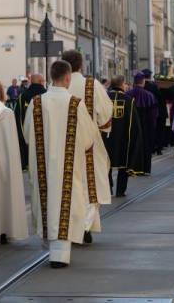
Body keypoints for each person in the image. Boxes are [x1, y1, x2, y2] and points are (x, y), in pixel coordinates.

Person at [23, 60, 100, 269]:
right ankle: (61, 254)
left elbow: (27, 135)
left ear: (50, 77)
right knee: (68, 202)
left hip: (43, 167)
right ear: (67, 78)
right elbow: (87, 140)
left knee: (46, 201)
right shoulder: (76, 104)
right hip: (69, 167)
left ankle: (52, 249)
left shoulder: (37, 103)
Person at [61, 50, 112, 243]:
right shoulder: (91, 84)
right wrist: (100, 127)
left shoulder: (56, 85)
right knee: (92, 185)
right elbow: (106, 114)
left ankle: (77, 225)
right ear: (81, 65)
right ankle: (83, 227)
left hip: (62, 142)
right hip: (89, 141)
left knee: (70, 185)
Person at [0, 79, 29, 245]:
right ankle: (5, 230)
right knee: (5, 194)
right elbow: (13, 140)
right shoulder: (8, 113)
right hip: (6, 158)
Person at [105, 75, 144, 197]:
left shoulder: (104, 98)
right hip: (123, 138)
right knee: (123, 162)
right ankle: (120, 190)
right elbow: (135, 123)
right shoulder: (129, 100)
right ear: (123, 84)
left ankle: (107, 187)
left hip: (106, 136)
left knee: (106, 163)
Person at [125, 72, 158, 171]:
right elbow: (154, 113)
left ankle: (132, 167)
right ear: (143, 82)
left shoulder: (127, 94)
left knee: (132, 144)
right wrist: (153, 125)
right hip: (146, 125)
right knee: (145, 145)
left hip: (131, 124)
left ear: (134, 82)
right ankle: (144, 168)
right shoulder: (149, 95)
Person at [14, 74, 47, 172]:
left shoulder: (23, 96)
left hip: (28, 131)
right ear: (41, 82)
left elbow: (18, 117)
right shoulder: (46, 94)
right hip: (44, 129)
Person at [140, 68, 168, 154]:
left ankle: (150, 148)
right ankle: (159, 149)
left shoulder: (142, 87)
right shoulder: (155, 86)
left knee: (148, 131)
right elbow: (162, 98)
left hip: (146, 112)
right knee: (159, 131)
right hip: (159, 112)